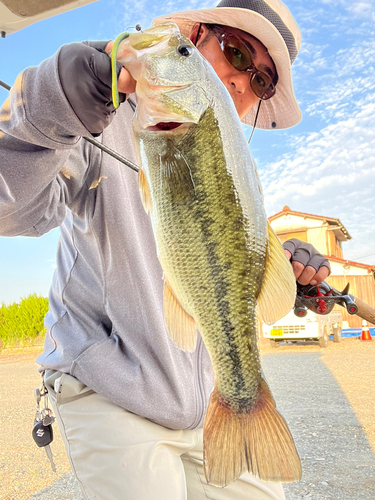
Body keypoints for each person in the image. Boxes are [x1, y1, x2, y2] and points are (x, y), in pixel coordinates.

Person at [0, 0, 330, 498]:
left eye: (262, 81)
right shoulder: (95, 121)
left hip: (210, 404)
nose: (243, 82)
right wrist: (57, 99)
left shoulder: (239, 165)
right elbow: (12, 210)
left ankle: (243, 396)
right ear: (196, 36)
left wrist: (281, 262)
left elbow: (219, 249)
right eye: (237, 53)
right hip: (111, 390)